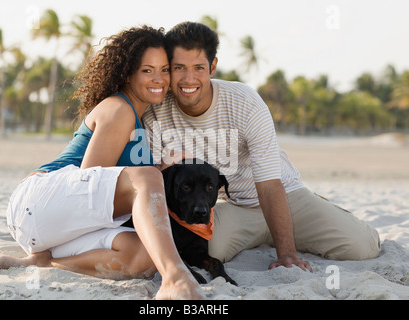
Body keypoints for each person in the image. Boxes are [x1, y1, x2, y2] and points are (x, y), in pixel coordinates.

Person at [143, 21, 381, 271]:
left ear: (212, 67)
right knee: (203, 252)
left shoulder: (245, 102)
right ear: (168, 68)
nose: (188, 79)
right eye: (179, 67)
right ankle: (261, 238)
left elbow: (269, 183)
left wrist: (287, 255)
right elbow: (156, 182)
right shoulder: (155, 112)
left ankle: (303, 224)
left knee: (362, 247)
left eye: (198, 67)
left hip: (283, 196)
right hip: (234, 209)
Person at [0, 25, 202, 300]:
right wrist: (154, 174)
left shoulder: (141, 125)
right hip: (36, 200)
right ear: (127, 73)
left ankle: (44, 262)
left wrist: (162, 170)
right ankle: (175, 279)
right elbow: (89, 180)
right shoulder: (119, 109)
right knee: (147, 178)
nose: (158, 78)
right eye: (147, 70)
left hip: (52, 230)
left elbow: (105, 193)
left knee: (145, 256)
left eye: (164, 70)